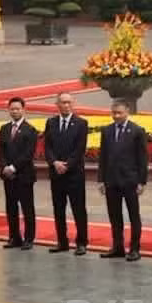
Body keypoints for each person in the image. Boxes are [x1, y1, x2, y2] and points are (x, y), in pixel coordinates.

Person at [98, 99, 147, 262]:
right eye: (114, 113)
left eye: (119, 113)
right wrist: (101, 179)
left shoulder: (137, 131)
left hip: (130, 181)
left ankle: (134, 248)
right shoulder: (107, 131)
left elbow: (142, 158)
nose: (116, 116)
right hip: (112, 181)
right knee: (114, 215)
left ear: (127, 112)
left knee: (134, 216)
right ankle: (118, 246)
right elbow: (103, 157)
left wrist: (142, 181)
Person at [43, 92, 88, 254]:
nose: (66, 105)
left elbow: (80, 149)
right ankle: (62, 241)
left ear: (73, 104)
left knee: (78, 209)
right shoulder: (51, 122)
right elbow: (47, 146)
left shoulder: (81, 123)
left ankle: (81, 242)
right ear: (57, 104)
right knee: (58, 209)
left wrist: (67, 165)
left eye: (68, 102)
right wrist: (54, 162)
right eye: (62, 102)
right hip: (56, 173)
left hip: (74, 174)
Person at [0, 98, 38, 249]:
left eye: (17, 109)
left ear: (23, 110)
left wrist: (13, 167)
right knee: (11, 207)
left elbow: (28, 154)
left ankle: (29, 238)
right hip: (8, 176)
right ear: (8, 110)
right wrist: (4, 167)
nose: (15, 111)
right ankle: (14, 237)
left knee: (27, 208)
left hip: (24, 175)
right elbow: (0, 150)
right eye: (12, 109)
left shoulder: (30, 130)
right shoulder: (5, 128)